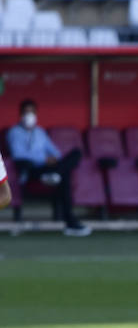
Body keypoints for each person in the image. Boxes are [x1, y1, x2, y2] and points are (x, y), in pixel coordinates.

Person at [5, 99, 90, 235]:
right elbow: (18, 155)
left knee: (75, 154)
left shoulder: (40, 132)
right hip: (32, 169)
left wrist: (54, 160)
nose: (29, 115)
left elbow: (55, 152)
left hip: (49, 168)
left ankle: (56, 174)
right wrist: (44, 159)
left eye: (32, 112)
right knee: (64, 175)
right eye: (26, 112)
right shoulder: (14, 132)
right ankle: (71, 223)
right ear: (20, 114)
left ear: (36, 114)